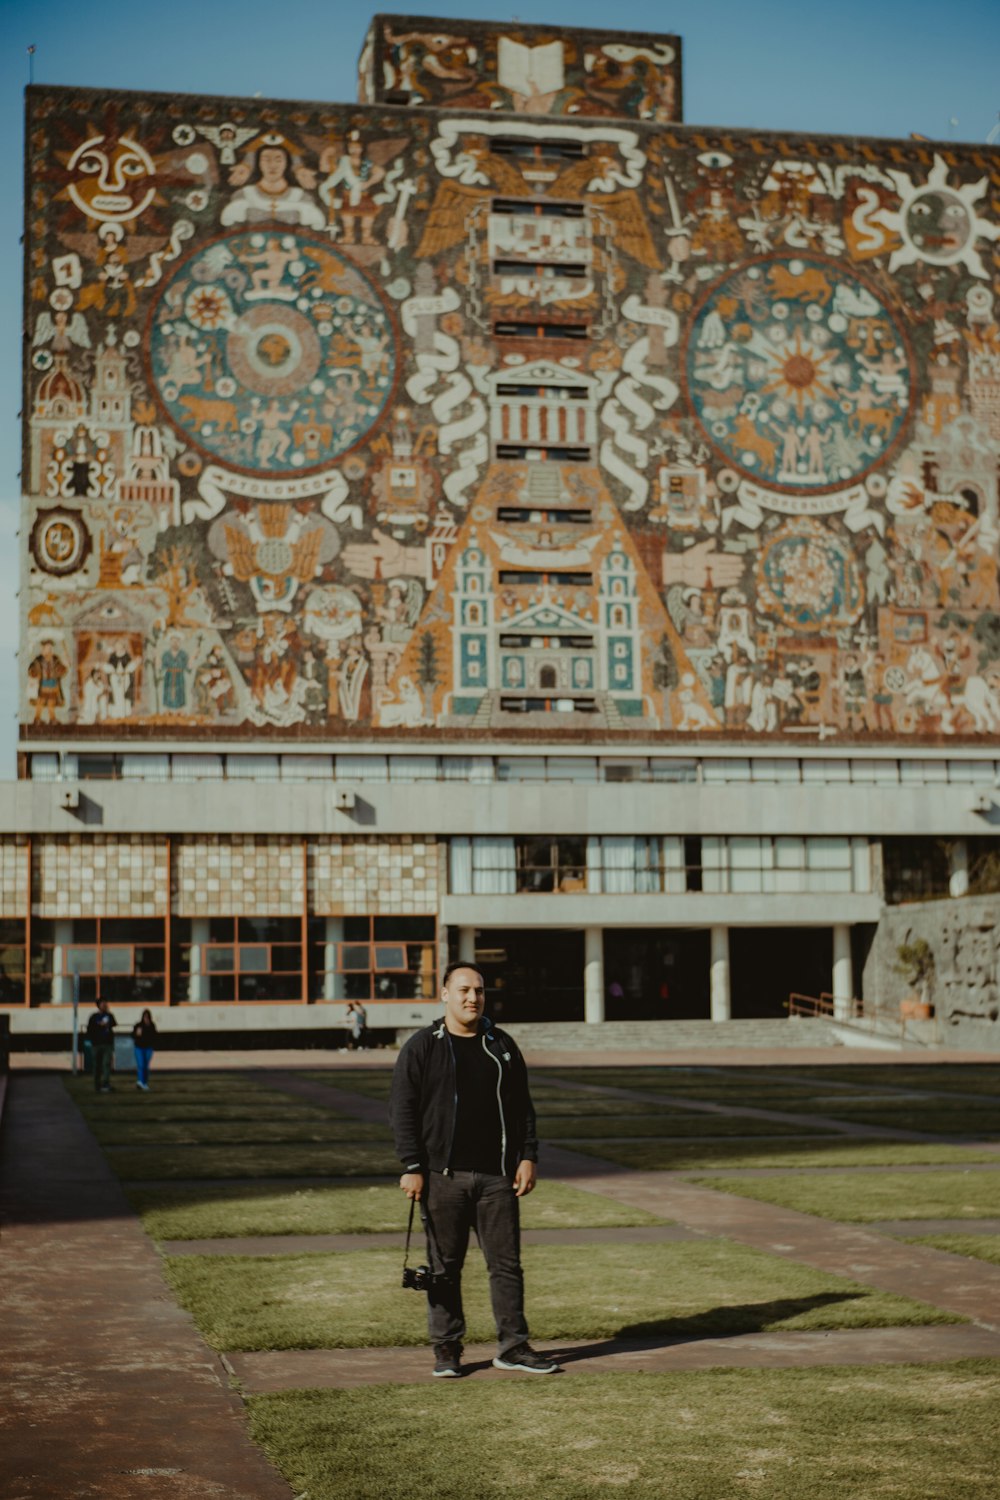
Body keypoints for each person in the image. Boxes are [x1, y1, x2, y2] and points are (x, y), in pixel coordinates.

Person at [389, 962, 560, 1379]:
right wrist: (412, 1165)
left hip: (497, 1178)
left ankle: (513, 1347)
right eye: (464, 989)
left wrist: (527, 1155)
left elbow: (523, 1107)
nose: (473, 998)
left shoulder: (500, 1044)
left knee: (506, 1265)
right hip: (442, 1178)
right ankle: (447, 1349)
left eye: (480, 991)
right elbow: (402, 1109)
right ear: (444, 993)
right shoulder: (422, 1046)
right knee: (444, 1267)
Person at [85, 999, 117, 1094]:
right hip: (97, 1044)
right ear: (98, 1005)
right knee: (97, 1065)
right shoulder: (94, 1017)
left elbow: (114, 1024)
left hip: (107, 1044)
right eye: (103, 1004)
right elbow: (89, 1029)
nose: (104, 1006)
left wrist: (108, 1023)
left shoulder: (109, 1015)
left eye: (105, 1004)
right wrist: (98, 1025)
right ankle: (97, 1084)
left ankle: (106, 1083)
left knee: (106, 1063)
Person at [132, 1009, 157, 1091]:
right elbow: (133, 1035)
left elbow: (155, 1035)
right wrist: (137, 1034)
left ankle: (143, 1082)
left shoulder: (152, 1025)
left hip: (148, 1048)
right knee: (141, 1065)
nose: (146, 1019)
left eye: (147, 1017)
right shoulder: (139, 1025)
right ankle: (141, 1082)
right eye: (145, 1017)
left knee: (145, 1066)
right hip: (139, 1047)